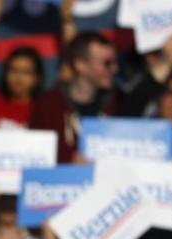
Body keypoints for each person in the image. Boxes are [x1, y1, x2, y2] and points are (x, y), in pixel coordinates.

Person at [30, 32, 119, 163]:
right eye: (107, 63)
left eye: (115, 62)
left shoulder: (118, 101)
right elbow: (34, 158)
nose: (115, 68)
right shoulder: (48, 106)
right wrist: (67, 165)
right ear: (80, 65)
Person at [0, 0, 45, 128]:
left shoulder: (47, 109)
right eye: (13, 70)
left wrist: (66, 19)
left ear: (37, 77)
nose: (18, 78)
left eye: (26, 72)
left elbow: (71, 68)